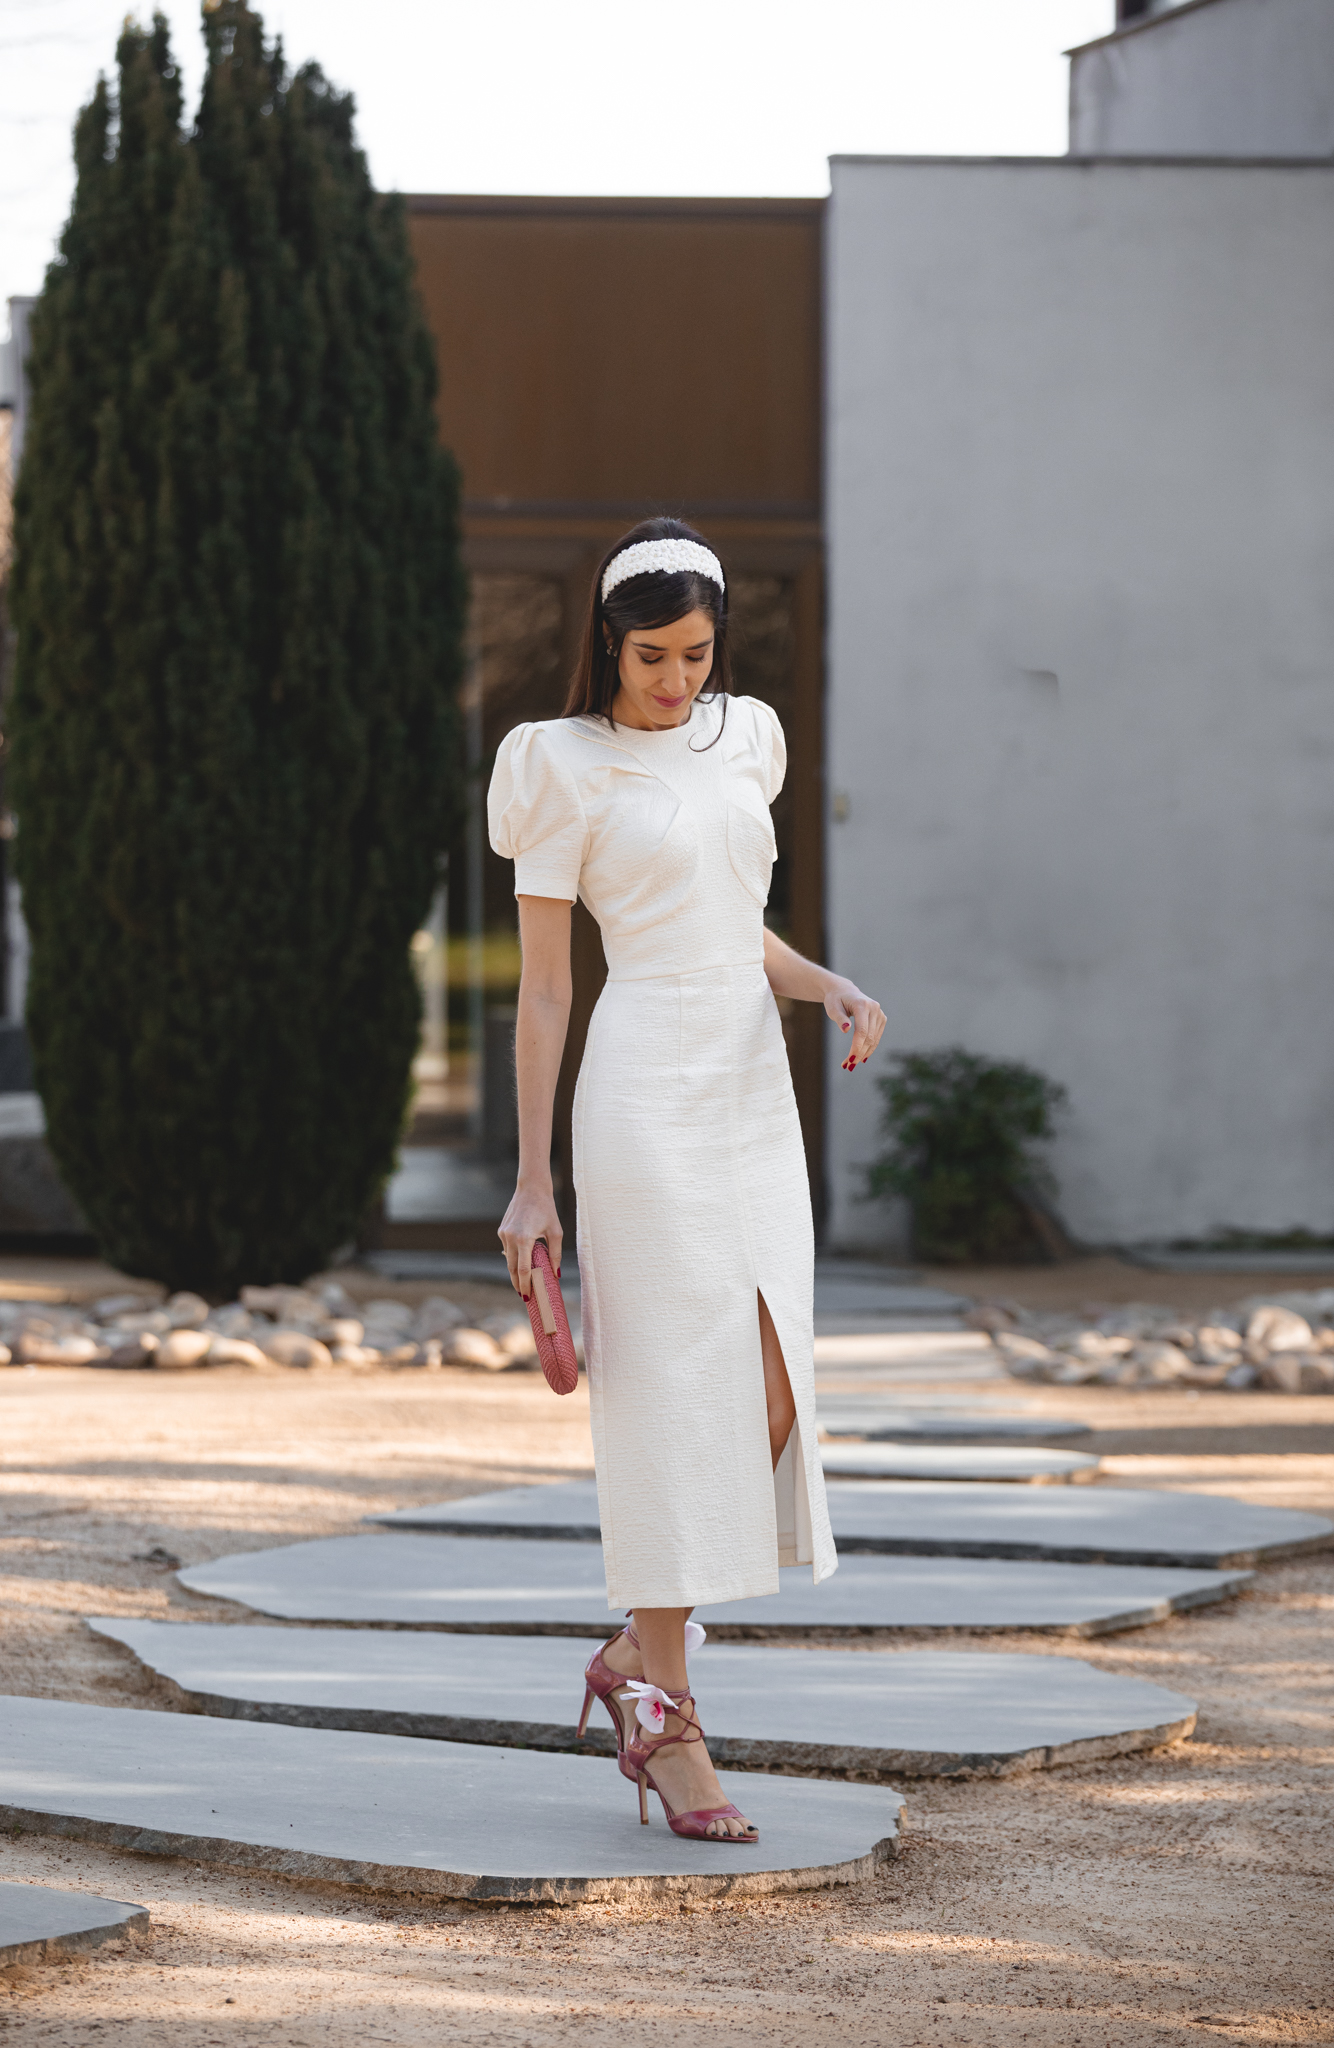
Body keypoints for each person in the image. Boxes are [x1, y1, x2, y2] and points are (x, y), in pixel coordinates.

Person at [488, 517, 886, 1841]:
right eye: (652, 655)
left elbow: (731, 922)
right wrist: (533, 1183)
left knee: (773, 1385)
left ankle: (632, 1660)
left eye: (695, 654)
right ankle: (668, 1720)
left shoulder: (749, 736)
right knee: (665, 1399)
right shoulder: (554, 764)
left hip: (747, 1094)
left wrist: (818, 979)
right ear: (607, 641)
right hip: (642, 1095)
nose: (675, 680)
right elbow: (545, 992)